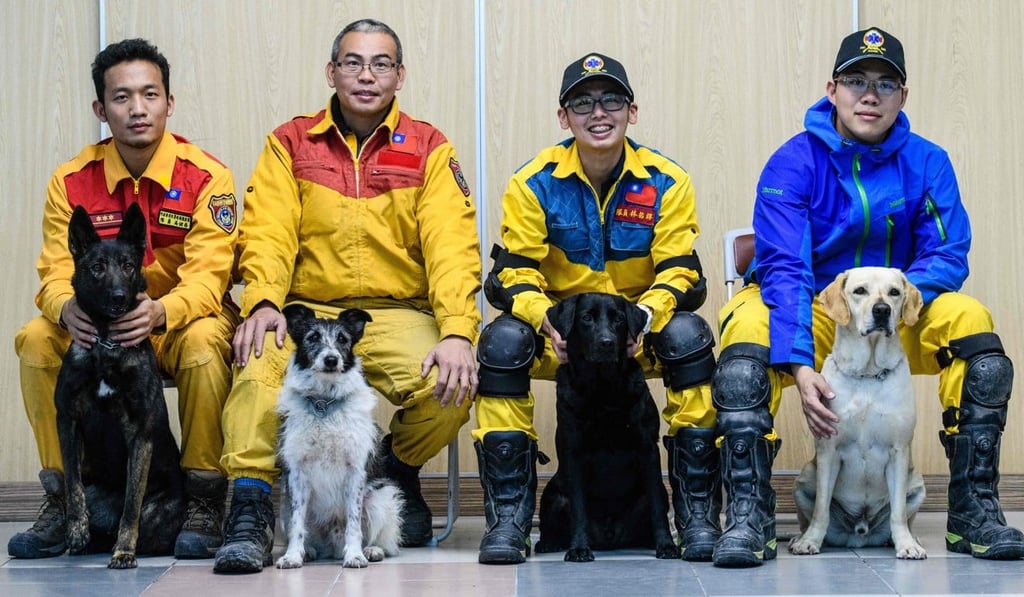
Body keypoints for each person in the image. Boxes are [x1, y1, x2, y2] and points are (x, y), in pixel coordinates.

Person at [713, 26, 1024, 567]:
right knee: (743, 335)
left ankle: (974, 511)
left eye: (885, 84)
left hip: (897, 303)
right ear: (831, 89)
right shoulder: (794, 161)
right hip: (817, 303)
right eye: (856, 81)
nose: (870, 94)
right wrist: (801, 363)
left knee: (973, 322)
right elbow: (784, 266)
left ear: (903, 96)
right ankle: (750, 514)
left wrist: (901, 301)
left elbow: (949, 252)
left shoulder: (929, 162)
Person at [213, 19, 481, 574]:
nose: (366, 74)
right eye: (353, 62)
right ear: (331, 72)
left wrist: (457, 329)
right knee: (256, 371)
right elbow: (267, 231)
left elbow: (452, 245)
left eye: (381, 63)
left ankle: (393, 469)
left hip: (397, 310)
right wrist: (263, 299)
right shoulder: (290, 142)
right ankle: (249, 509)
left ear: (400, 75)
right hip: (307, 315)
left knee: (450, 381)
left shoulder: (429, 147)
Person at [474, 52, 717, 565]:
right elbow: (515, 274)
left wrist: (643, 319)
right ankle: (510, 516)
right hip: (563, 338)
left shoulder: (667, 180)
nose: (598, 113)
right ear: (564, 117)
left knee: (689, 336)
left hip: (636, 336)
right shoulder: (533, 181)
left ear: (632, 110)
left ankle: (694, 512)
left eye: (610, 100)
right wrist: (547, 321)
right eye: (582, 103)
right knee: (501, 342)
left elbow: (680, 272)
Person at [10, 38, 240, 561]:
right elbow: (53, 270)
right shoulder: (70, 181)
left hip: (180, 322)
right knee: (37, 340)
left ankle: (203, 498)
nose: (138, 109)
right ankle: (64, 498)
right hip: (97, 322)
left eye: (150, 94)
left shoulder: (206, 176)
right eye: (122, 97)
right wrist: (64, 307)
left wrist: (161, 312)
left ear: (169, 102)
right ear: (101, 108)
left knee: (206, 343)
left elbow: (210, 276)